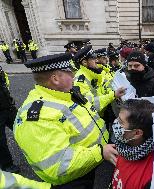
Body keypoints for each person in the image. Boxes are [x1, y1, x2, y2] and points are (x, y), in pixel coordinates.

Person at [13, 53, 125, 188]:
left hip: (89, 163)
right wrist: (99, 152)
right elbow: (58, 165)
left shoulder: (65, 93)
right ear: (55, 79)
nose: (73, 76)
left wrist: (113, 95)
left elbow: (92, 105)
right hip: (72, 179)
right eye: (69, 72)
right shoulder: (38, 116)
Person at [111, 99, 154, 189]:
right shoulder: (124, 147)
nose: (115, 123)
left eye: (120, 122)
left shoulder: (151, 177)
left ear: (137, 133)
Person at [0, 66, 18, 173]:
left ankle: (35, 153)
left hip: (8, 106)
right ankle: (7, 165)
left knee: (23, 130)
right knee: (1, 141)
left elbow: (4, 80)